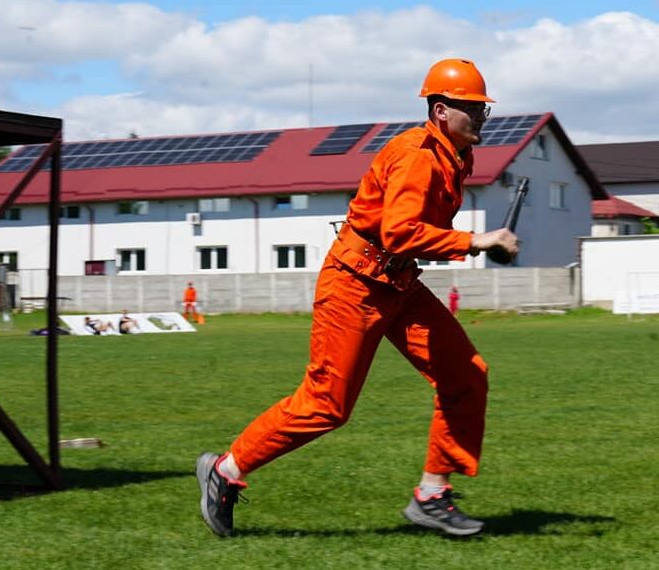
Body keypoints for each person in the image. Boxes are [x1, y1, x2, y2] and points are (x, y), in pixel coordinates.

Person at [195, 58, 518, 538]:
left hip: (399, 284)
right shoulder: (418, 155)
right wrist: (476, 241)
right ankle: (225, 469)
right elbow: (401, 232)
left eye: (483, 109)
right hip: (356, 283)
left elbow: (411, 237)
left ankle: (432, 494)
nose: (482, 119)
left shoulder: (456, 154)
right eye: (473, 109)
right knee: (327, 405)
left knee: (466, 374)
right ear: (441, 109)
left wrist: (474, 243)